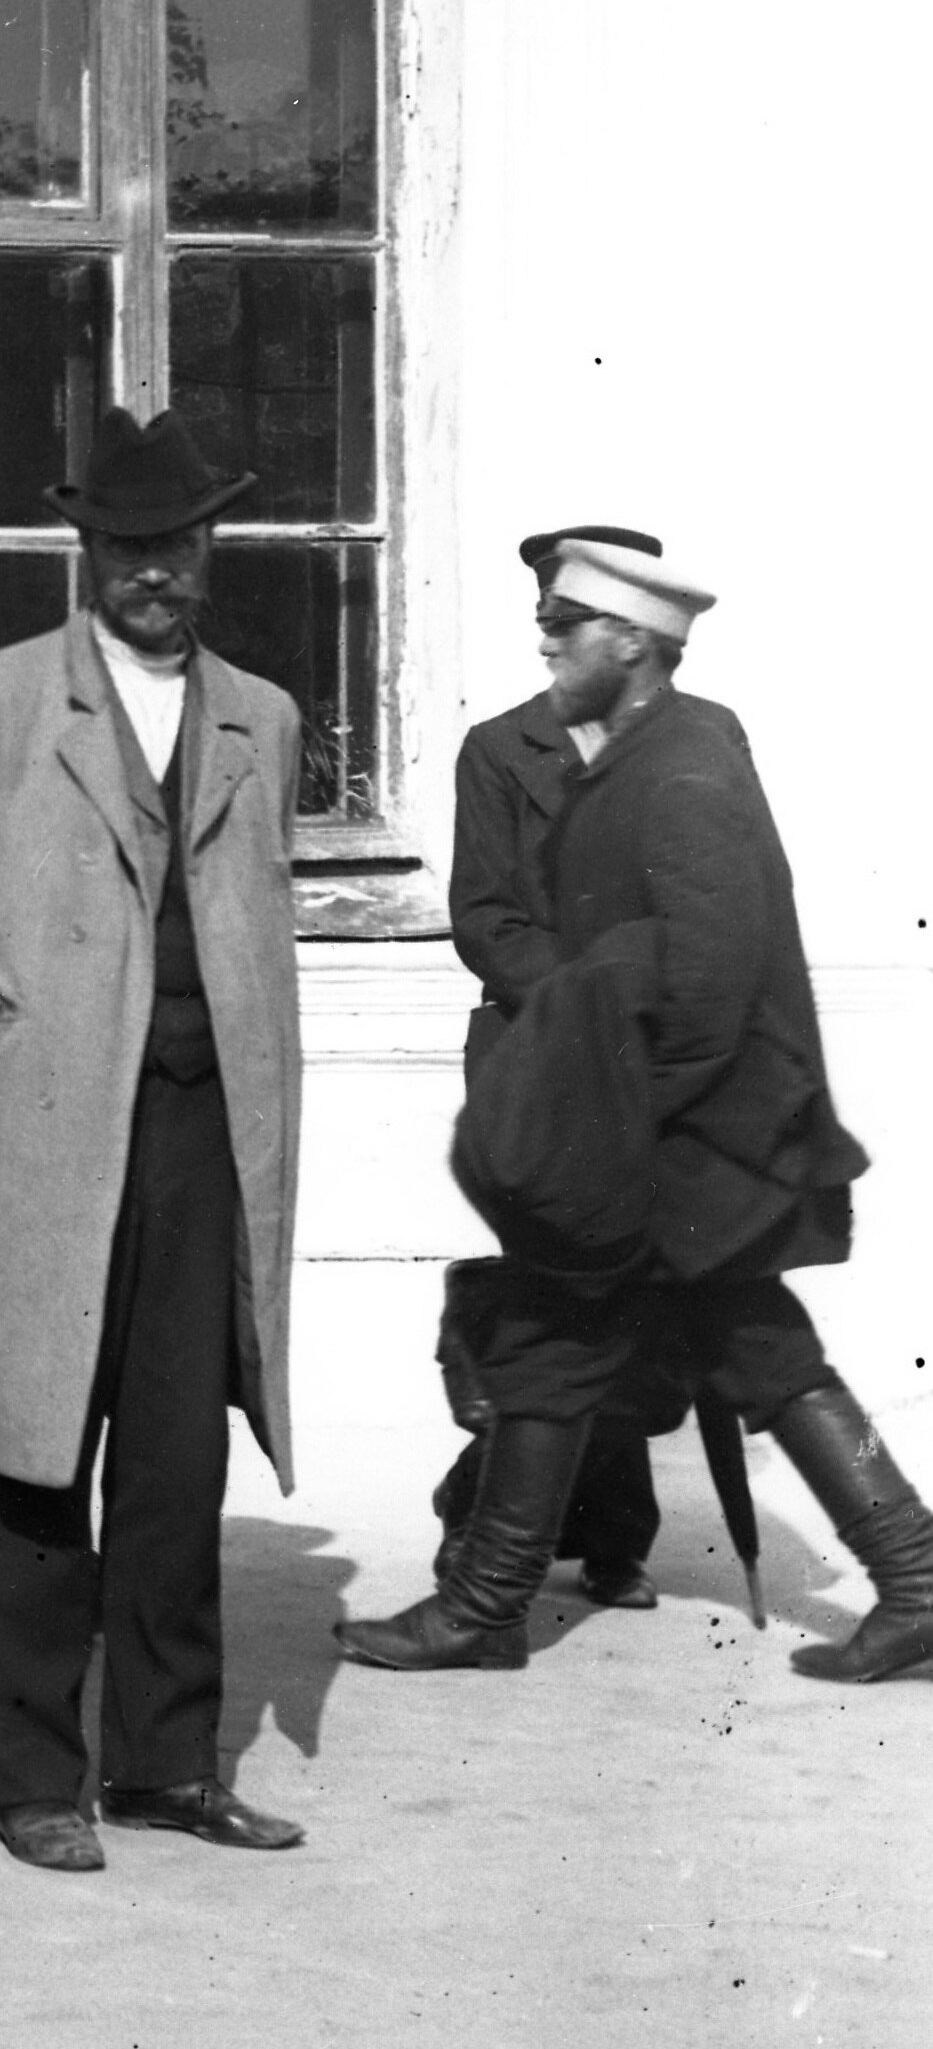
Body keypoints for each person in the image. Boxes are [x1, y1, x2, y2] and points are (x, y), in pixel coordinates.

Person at [340, 540, 929, 1685]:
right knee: (721, 1343)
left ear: (635, 644)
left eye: (567, 621)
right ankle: (913, 1581)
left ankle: (487, 1604)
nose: (546, 636)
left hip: (679, 1142)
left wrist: (614, 1122)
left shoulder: (685, 766)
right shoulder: (646, 756)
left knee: (586, 1342)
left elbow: (710, 990)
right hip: (671, 1140)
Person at [0, 408, 308, 1875]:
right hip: (46, 1134)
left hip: (202, 1138)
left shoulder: (260, 714)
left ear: (207, 552)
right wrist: (12, 1041)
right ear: (87, 554)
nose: (153, 575)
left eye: (176, 546)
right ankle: (32, 1778)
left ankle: (168, 1765)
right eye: (126, 548)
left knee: (180, 1461)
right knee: (36, 1453)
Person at [417, 523, 695, 1614]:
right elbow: (483, 918)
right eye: (553, 607)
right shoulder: (500, 749)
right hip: (537, 1057)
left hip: (656, 1063)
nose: (558, 627)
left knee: (635, 1289)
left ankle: (610, 1538)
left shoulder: (693, 742)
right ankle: (490, 1525)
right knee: (559, 1285)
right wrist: (595, 1006)